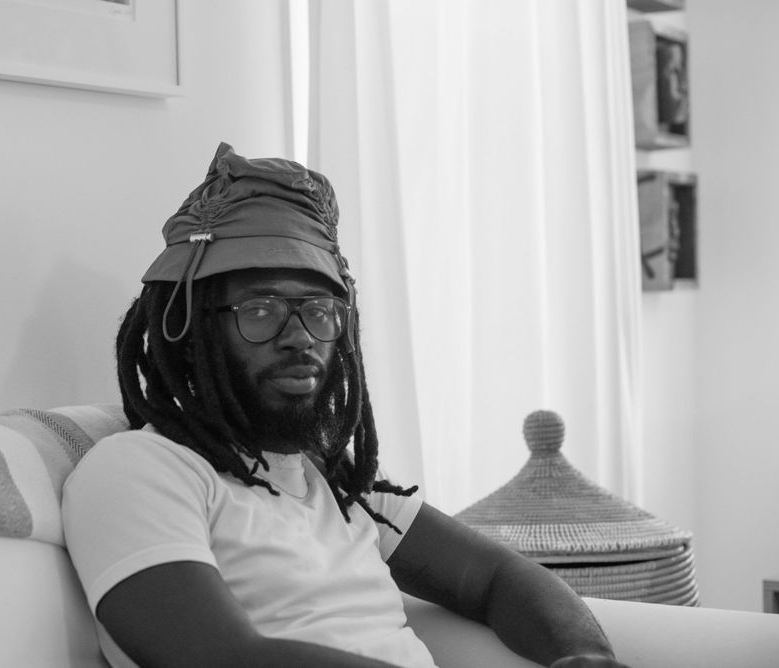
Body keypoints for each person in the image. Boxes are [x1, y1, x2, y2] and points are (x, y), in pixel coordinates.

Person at [62, 142, 630, 668]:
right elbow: (222, 658)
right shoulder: (141, 469)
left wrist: (585, 658)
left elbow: (497, 578)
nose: (301, 336)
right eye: (260, 310)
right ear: (189, 336)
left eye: (320, 311)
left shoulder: (337, 480)